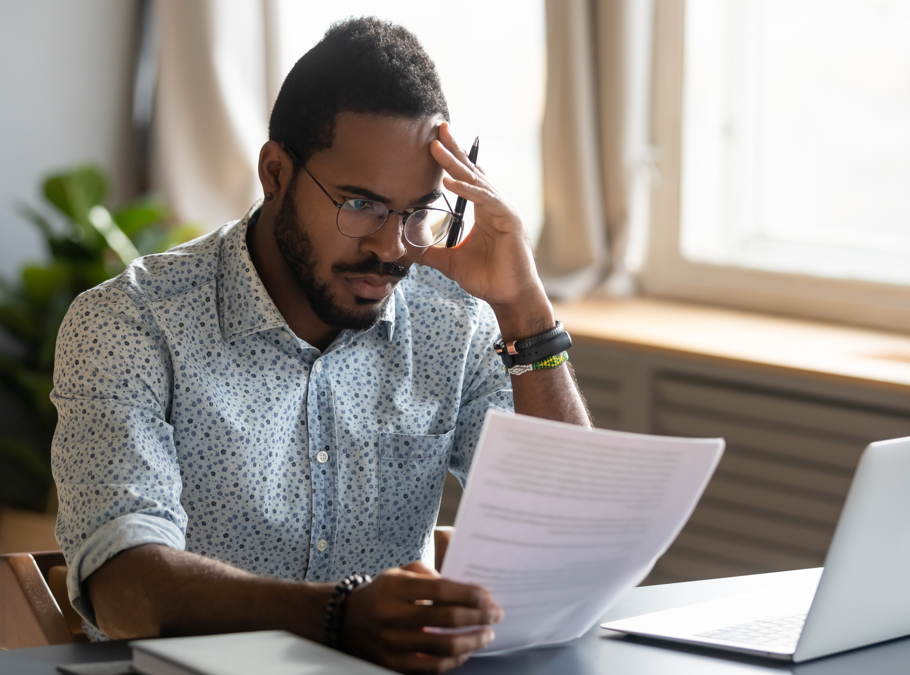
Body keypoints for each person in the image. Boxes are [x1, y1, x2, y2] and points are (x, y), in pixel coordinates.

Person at [51, 16, 589, 674]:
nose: (391, 247)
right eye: (360, 204)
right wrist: (339, 615)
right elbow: (122, 583)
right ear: (275, 171)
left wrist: (525, 310)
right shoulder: (131, 322)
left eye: (418, 211)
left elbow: (567, 534)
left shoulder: (458, 322)